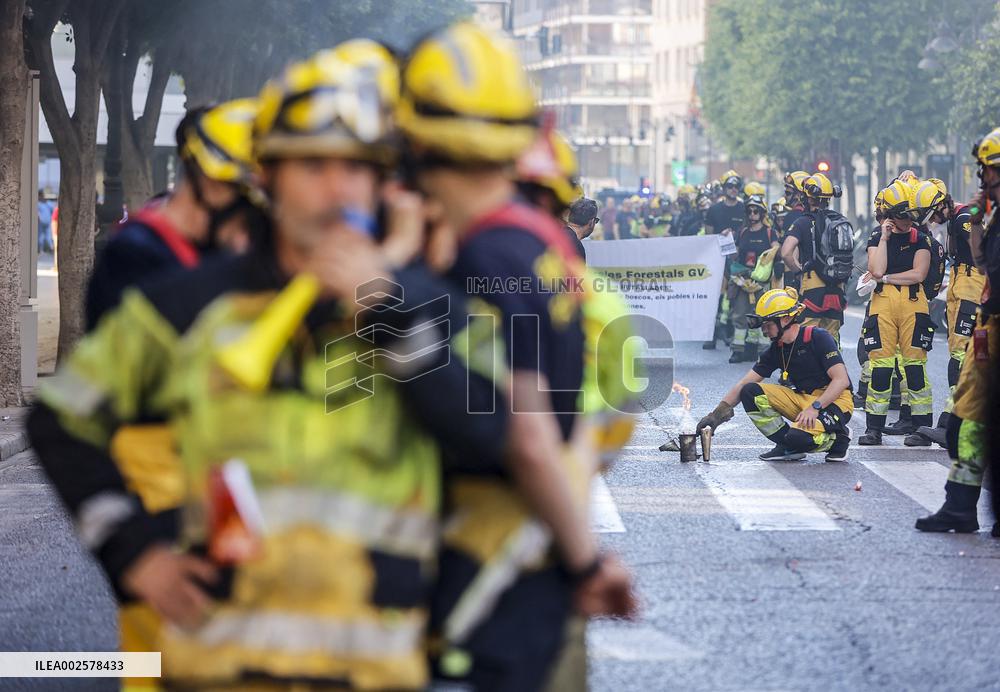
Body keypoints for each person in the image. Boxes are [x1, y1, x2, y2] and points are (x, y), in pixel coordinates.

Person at [28, 47, 510, 690]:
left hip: (375, 671)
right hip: (217, 669)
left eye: (356, 168)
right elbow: (61, 420)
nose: (337, 189)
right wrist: (133, 553)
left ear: (381, 183)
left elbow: (494, 440)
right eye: (312, 165)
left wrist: (388, 314)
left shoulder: (434, 306)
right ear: (268, 177)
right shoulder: (188, 306)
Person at [396, 22, 636, 690]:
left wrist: (589, 565)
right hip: (536, 558)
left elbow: (525, 433)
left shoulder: (475, 260)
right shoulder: (541, 247)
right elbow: (575, 414)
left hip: (479, 572)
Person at [85, 99, 260, 331]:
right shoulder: (132, 256)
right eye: (247, 206)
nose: (249, 226)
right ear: (212, 185)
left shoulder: (212, 248)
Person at [916, 126, 1000, 536]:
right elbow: (983, 261)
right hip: (991, 322)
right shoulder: (988, 215)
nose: (981, 178)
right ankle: (961, 505)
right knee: (966, 420)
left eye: (985, 170)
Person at [696, 287, 853, 462]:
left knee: (800, 438)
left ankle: (839, 441)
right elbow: (743, 384)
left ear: (786, 319)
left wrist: (814, 408)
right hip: (803, 400)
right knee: (750, 391)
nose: (764, 330)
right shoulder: (775, 349)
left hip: (834, 401)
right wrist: (716, 416)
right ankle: (788, 446)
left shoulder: (818, 337)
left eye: (768, 325)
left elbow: (841, 380)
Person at [858, 180, 935, 446]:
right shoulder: (876, 237)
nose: (908, 220)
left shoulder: (921, 238)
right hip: (883, 306)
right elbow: (875, 270)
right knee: (880, 369)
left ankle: (922, 428)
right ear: (890, 214)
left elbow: (919, 274)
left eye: (911, 214)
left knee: (915, 369)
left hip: (914, 305)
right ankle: (873, 428)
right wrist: (884, 237)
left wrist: (888, 278)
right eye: (903, 215)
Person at [914, 177, 983, 446]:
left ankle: (949, 425)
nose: (932, 221)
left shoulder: (962, 218)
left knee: (961, 358)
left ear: (943, 204)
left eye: (932, 214)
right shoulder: (956, 219)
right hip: (962, 286)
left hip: (971, 289)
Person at [780, 172, 848, 345]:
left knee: (807, 337)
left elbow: (786, 252)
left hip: (813, 289)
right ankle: (831, 371)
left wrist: (799, 271)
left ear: (807, 198)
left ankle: (808, 372)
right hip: (837, 289)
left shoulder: (802, 222)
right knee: (831, 339)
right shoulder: (839, 221)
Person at [728, 194, 779, 363]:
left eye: (756, 211)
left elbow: (776, 251)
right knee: (740, 316)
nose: (752, 215)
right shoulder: (742, 232)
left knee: (763, 316)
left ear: (762, 213)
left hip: (761, 283)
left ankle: (764, 352)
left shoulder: (770, 233)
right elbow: (734, 255)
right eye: (749, 211)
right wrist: (726, 239)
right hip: (743, 281)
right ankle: (738, 350)